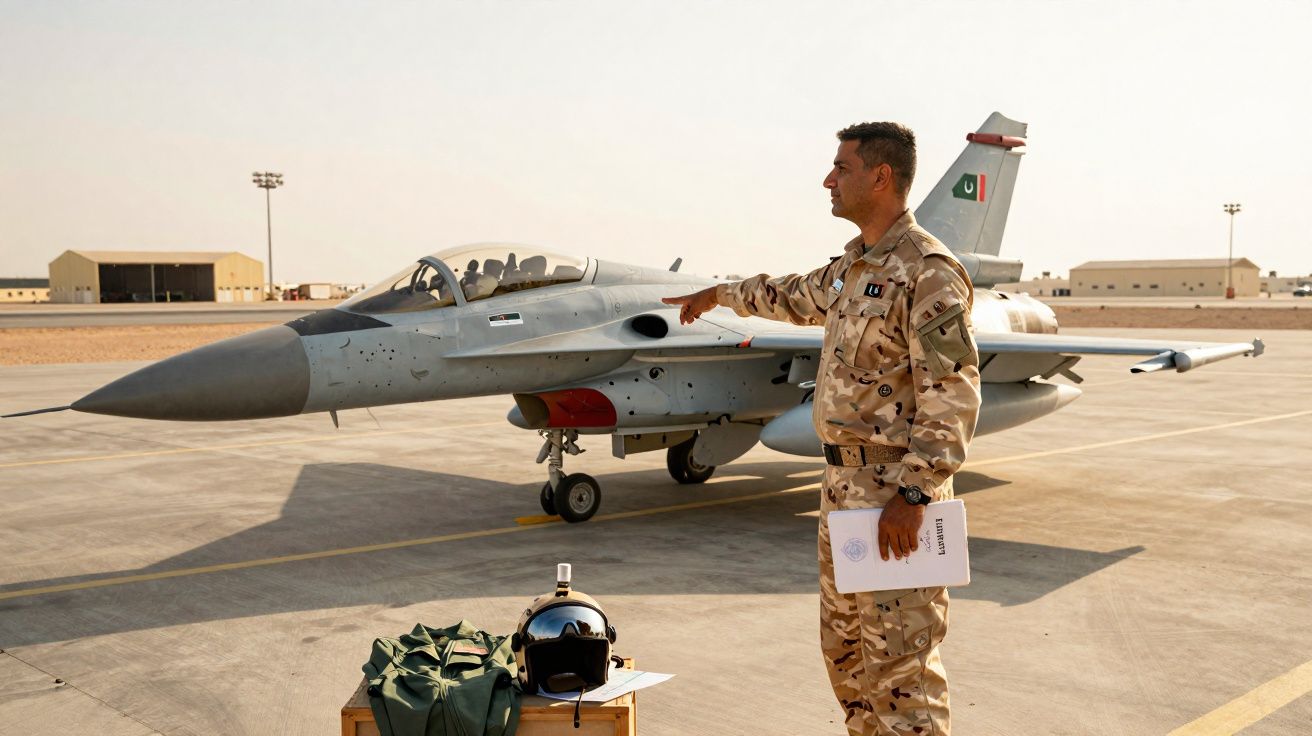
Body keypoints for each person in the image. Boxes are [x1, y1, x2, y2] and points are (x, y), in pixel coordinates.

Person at [662, 122, 981, 736]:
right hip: (843, 493)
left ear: (880, 177)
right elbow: (791, 294)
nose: (828, 179)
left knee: (902, 680)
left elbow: (955, 393)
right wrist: (720, 294)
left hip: (894, 496)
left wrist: (913, 494)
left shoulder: (929, 272)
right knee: (852, 668)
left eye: (842, 167)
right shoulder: (854, 268)